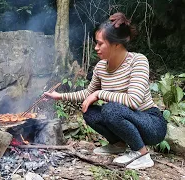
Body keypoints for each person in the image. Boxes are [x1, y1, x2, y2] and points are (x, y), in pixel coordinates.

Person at [44, 12, 167, 169]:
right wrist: (59, 96)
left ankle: (142, 154)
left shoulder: (138, 61)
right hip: (127, 118)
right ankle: (119, 144)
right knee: (90, 111)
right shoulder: (101, 67)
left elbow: (133, 101)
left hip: (151, 124)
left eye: (100, 43)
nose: (96, 48)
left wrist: (99, 94)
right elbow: (88, 94)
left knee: (111, 109)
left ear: (116, 44)